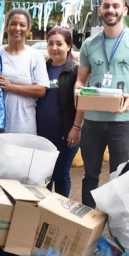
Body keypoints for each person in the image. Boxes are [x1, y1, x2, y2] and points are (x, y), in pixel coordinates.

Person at [75, 0, 129, 208]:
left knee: (120, 177)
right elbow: (81, 80)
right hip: (92, 122)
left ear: (125, 10)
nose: (110, 10)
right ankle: (88, 225)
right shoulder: (89, 44)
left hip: (123, 121)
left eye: (115, 6)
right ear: (100, 10)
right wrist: (78, 90)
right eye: (106, 6)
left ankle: (116, 228)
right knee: (90, 175)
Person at [0, 8, 49, 177]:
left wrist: (11, 87)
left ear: (28, 29)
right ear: (6, 27)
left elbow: (41, 90)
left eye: (22, 25)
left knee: (21, 175)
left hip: (23, 127)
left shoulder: (35, 56)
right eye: (13, 24)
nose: (17, 28)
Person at [36, 26, 84, 197]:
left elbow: (82, 102)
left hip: (67, 134)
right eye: (50, 44)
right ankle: (45, 210)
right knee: (44, 175)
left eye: (59, 44)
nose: (54, 48)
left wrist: (76, 128)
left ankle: (61, 212)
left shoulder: (76, 70)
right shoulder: (41, 67)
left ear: (69, 45)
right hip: (42, 133)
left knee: (61, 174)